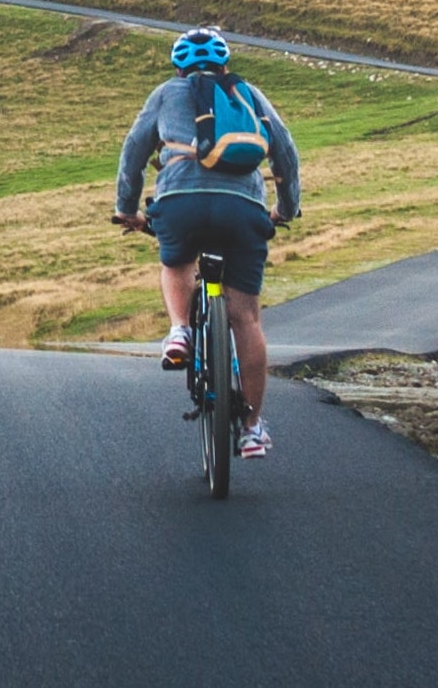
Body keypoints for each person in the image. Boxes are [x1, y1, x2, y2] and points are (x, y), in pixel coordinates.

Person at [112, 26, 301, 459]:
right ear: (225, 64)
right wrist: (285, 210)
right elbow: (285, 153)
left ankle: (180, 331)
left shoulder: (166, 93)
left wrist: (127, 208)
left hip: (181, 202)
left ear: (178, 67)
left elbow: (134, 151)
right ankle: (252, 428)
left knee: (176, 261)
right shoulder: (249, 94)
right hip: (244, 208)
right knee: (246, 319)